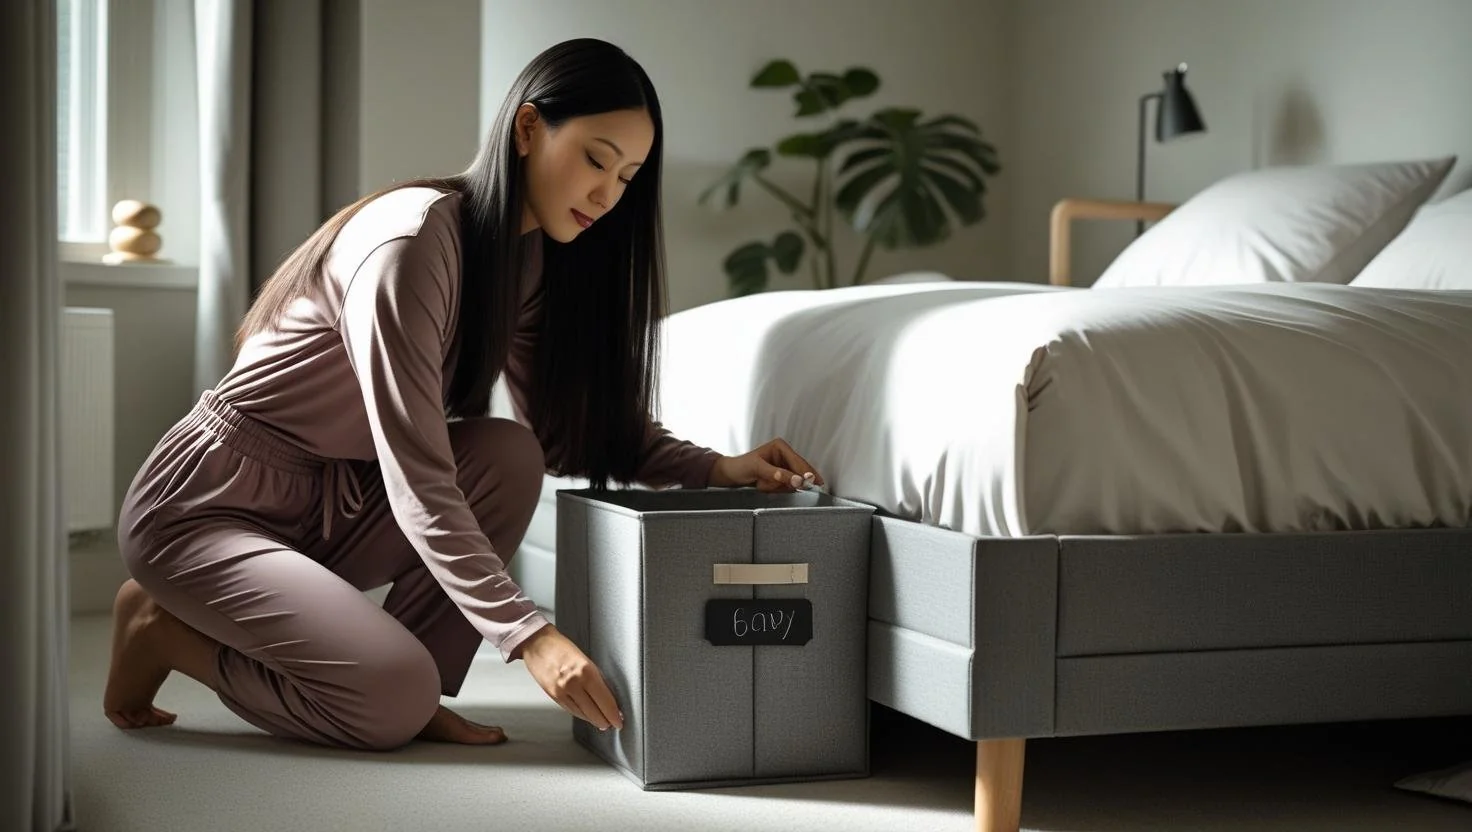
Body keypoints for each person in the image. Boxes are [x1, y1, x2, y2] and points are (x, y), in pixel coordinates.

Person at [103, 38, 825, 751]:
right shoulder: (410, 244)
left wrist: (712, 468)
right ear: (528, 127)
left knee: (509, 453)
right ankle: (161, 629)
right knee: (386, 700)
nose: (608, 195)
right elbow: (419, 473)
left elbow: (566, 433)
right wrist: (528, 634)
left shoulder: (528, 260)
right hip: (210, 506)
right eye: (597, 159)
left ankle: (414, 693)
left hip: (340, 499)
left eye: (629, 176)